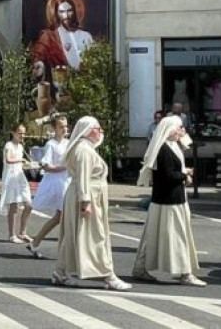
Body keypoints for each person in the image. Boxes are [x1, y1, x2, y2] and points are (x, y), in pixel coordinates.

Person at [52, 116, 131, 291]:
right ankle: (108, 275)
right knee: (97, 236)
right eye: (98, 128)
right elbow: (83, 177)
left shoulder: (83, 148)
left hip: (85, 195)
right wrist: (85, 201)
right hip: (87, 197)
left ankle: (61, 271)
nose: (100, 131)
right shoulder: (84, 150)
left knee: (76, 235)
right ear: (88, 131)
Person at [132, 115, 205, 286]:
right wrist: (184, 175)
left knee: (154, 235)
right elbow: (167, 175)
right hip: (169, 201)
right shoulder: (164, 149)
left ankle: (141, 268)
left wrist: (183, 171)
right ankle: (185, 273)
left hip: (170, 199)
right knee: (178, 237)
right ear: (170, 129)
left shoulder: (172, 145)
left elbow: (176, 163)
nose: (183, 131)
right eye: (180, 128)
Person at [27, 115, 70, 258]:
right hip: (58, 183)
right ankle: (64, 251)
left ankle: (36, 242)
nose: (64, 129)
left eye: (65, 126)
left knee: (60, 217)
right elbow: (45, 165)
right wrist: (62, 167)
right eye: (61, 126)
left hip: (66, 181)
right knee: (63, 216)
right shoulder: (51, 144)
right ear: (54, 128)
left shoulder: (68, 143)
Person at [0, 124, 33, 243]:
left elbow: (19, 163)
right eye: (19, 133)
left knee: (29, 204)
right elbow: (8, 159)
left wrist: (26, 165)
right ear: (13, 133)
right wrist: (21, 160)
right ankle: (11, 235)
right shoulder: (9, 145)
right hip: (11, 177)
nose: (22, 135)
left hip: (19, 175)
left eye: (23, 133)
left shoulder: (20, 146)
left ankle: (22, 232)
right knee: (13, 207)